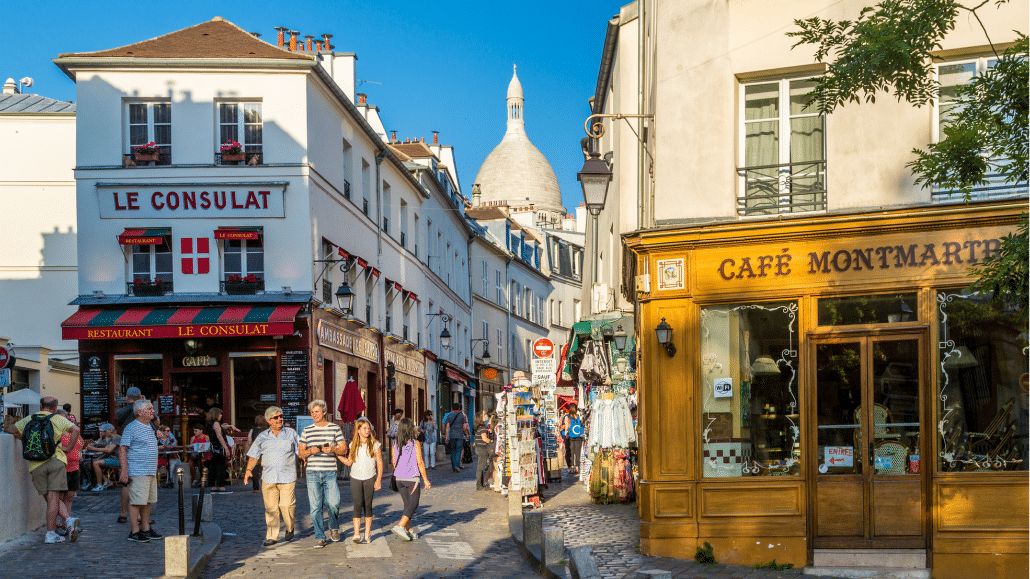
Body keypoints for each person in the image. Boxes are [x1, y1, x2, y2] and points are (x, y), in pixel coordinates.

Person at [6, 396, 80, 544]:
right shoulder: (58, 419)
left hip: (36, 464)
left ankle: (62, 525)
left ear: (40, 406)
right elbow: (76, 429)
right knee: (54, 499)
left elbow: (11, 430)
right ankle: (57, 529)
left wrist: (17, 430)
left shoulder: (29, 419)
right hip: (56, 461)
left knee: (49, 499)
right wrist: (68, 448)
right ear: (54, 407)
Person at [244, 406, 299, 547]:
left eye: (281, 416)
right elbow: (254, 455)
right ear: (269, 421)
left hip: (287, 476)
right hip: (268, 477)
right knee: (271, 509)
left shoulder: (291, 433)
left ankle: (289, 527)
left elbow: (300, 450)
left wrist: (306, 458)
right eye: (276, 417)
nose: (280, 419)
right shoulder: (262, 437)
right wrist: (248, 470)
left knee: (286, 505)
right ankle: (272, 536)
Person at [298, 399, 345, 548]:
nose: (314, 414)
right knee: (315, 506)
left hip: (330, 471)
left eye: (317, 411)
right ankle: (319, 536)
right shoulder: (307, 430)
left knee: (334, 502)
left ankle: (333, 525)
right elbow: (300, 452)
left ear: (324, 412)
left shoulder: (335, 428)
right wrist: (309, 451)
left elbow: (343, 449)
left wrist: (332, 449)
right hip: (312, 472)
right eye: (312, 412)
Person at [119, 399, 161, 543]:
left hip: (150, 470)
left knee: (147, 501)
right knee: (136, 502)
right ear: (140, 412)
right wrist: (124, 470)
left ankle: (145, 528)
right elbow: (122, 448)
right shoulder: (131, 427)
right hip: (138, 469)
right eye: (149, 409)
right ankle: (134, 532)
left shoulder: (149, 426)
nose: (153, 411)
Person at [339, 417, 382, 544]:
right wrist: (338, 455)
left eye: (368, 428)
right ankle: (356, 533)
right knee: (357, 504)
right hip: (355, 478)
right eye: (364, 428)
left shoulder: (375, 444)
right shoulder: (353, 445)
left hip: (369, 477)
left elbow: (379, 463)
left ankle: (367, 534)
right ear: (358, 430)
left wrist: (378, 479)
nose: (367, 430)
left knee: (367, 505)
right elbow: (349, 462)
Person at [390, 418, 431, 541]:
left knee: (407, 505)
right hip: (412, 478)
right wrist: (425, 479)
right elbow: (420, 462)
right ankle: (399, 526)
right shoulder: (414, 443)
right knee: (414, 504)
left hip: (399, 479)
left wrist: (399, 471)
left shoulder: (395, 443)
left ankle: (409, 530)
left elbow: (393, 461)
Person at [55, 409, 83, 542]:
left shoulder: (74, 432)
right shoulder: (56, 433)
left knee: (70, 497)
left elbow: (80, 446)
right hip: (62, 468)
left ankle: (67, 524)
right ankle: (57, 525)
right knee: (58, 497)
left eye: (63, 418)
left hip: (74, 468)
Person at [205, 408, 232, 493]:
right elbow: (219, 436)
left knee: (213, 466)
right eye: (220, 414)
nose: (221, 416)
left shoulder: (210, 423)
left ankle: (212, 486)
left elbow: (221, 428)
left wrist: (230, 426)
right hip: (219, 447)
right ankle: (221, 486)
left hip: (213, 447)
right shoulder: (216, 423)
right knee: (221, 466)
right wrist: (226, 448)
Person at [87, 423, 120, 491]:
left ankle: (99, 485)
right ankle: (107, 481)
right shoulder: (111, 439)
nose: (104, 433)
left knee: (96, 463)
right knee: (93, 463)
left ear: (110, 430)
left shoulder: (117, 437)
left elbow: (108, 450)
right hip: (111, 458)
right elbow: (107, 451)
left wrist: (93, 448)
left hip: (118, 460)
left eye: (105, 431)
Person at [442, 403, 469, 472]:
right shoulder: (462, 416)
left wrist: (446, 437)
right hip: (460, 436)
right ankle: (457, 466)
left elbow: (447, 427)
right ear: (459, 408)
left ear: (452, 408)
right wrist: (467, 434)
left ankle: (454, 465)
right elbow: (464, 427)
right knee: (458, 451)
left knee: (453, 451)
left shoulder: (449, 416)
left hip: (452, 436)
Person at [473, 411, 494, 491]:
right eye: (484, 415)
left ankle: (481, 484)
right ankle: (479, 485)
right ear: (480, 418)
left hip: (479, 448)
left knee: (481, 466)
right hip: (482, 449)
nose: (486, 416)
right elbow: (484, 439)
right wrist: (491, 442)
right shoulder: (482, 428)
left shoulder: (481, 427)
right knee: (480, 467)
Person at [561, 403, 584, 476]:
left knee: (569, 453)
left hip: (569, 437)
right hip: (578, 437)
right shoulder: (579, 417)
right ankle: (577, 468)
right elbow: (582, 426)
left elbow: (563, 427)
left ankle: (571, 469)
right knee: (577, 453)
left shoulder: (567, 417)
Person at [247, 415, 268, 492]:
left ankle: (255, 487)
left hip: (255, 452)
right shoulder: (267, 431)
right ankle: (265, 486)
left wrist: (248, 452)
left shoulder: (252, 430)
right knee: (265, 469)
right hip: (265, 452)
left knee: (255, 469)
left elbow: (249, 442)